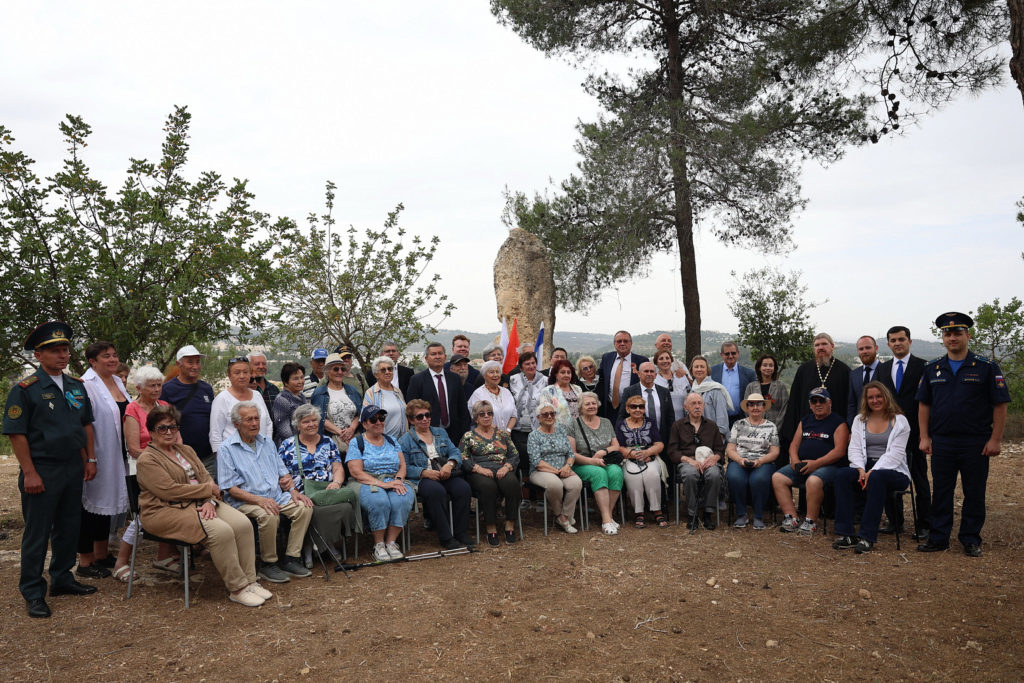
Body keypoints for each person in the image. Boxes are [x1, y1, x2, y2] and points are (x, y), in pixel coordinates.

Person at [4, 322, 98, 618]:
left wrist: (90, 459)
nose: (63, 355)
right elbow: (16, 434)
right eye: (55, 350)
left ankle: (62, 578)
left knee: (69, 527)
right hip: (42, 468)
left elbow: (85, 425)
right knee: (37, 532)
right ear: (39, 355)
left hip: (73, 466)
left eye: (66, 349)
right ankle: (33, 591)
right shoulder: (25, 390)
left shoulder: (75, 386)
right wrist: (29, 472)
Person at [138, 405, 271, 607]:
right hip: (164, 510)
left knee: (243, 523)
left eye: (173, 427)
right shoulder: (147, 460)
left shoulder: (186, 450)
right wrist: (206, 491)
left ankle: (250, 581)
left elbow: (206, 477)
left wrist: (209, 500)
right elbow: (169, 491)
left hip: (202, 503)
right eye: (162, 428)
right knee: (221, 531)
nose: (168, 432)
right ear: (151, 431)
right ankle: (237, 588)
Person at [916, 312, 1010, 557]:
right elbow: (924, 404)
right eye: (947, 333)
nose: (952, 337)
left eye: (957, 332)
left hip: (975, 442)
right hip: (943, 441)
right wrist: (924, 437)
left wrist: (995, 439)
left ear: (968, 335)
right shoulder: (932, 368)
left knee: (974, 491)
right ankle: (939, 537)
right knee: (942, 492)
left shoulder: (986, 368)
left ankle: (970, 538)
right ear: (943, 338)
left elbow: (1000, 405)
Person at [218, 402, 314, 583]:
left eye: (256, 418)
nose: (255, 423)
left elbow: (282, 472)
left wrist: (294, 490)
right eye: (249, 420)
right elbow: (230, 488)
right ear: (237, 424)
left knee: (304, 507)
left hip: (276, 496)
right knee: (269, 514)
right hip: (246, 502)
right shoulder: (226, 449)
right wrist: (259, 501)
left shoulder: (267, 442)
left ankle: (291, 558)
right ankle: (268, 563)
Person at [112, 366, 178, 581]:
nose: (157, 389)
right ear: (139, 387)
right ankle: (121, 562)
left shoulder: (165, 406)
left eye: (159, 384)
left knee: (169, 507)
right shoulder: (132, 410)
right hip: (142, 467)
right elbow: (133, 448)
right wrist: (161, 457)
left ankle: (163, 556)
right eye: (152, 385)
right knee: (143, 516)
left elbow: (178, 438)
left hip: (168, 465)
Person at [832, 382, 911, 553]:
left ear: (886, 397)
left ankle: (867, 536)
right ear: (865, 400)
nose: (875, 400)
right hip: (866, 467)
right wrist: (861, 469)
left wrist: (872, 471)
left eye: (878, 396)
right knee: (842, 475)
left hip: (894, 471)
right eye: (870, 397)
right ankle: (846, 533)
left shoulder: (899, 421)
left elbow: (896, 454)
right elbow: (853, 448)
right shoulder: (860, 420)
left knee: (876, 478)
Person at [77, 340, 130, 578]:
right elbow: (81, 424)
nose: (112, 359)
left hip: (119, 452)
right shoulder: (85, 385)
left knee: (105, 505)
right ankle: (85, 561)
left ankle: (101, 554)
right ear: (92, 361)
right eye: (106, 356)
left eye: (114, 355)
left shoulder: (117, 381)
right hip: (98, 452)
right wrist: (90, 457)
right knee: (90, 505)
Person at [278, 404, 356, 556]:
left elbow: (338, 468)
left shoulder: (328, 442)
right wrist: (292, 490)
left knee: (344, 507)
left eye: (314, 420)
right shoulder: (287, 445)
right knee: (310, 508)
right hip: (300, 492)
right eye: (306, 421)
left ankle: (324, 543)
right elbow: (282, 474)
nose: (311, 424)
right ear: (297, 425)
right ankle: (309, 545)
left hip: (326, 490)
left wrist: (336, 483)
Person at [876, 325, 930, 540]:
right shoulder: (882, 368)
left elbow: (928, 401)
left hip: (916, 432)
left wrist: (927, 433)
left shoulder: (924, 366)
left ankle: (925, 524)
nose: (897, 343)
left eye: (901, 339)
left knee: (919, 479)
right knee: (889, 474)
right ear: (888, 343)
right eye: (893, 340)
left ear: (909, 341)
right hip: (888, 434)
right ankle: (895, 521)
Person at [772, 387, 850, 534]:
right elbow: (794, 445)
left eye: (822, 400)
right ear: (810, 404)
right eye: (814, 401)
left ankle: (810, 521)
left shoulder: (839, 423)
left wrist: (816, 463)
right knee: (778, 478)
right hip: (803, 464)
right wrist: (794, 460)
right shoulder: (805, 420)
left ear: (830, 403)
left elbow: (839, 451)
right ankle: (791, 518)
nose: (818, 404)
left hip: (829, 466)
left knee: (813, 481)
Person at [399, 399, 474, 550]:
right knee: (436, 492)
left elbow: (455, 452)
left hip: (445, 473)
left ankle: (460, 532)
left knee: (463, 488)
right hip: (423, 478)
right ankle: (446, 536)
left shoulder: (440, 432)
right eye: (420, 417)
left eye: (427, 415)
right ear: (411, 420)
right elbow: (404, 467)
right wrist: (424, 472)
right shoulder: (405, 440)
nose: (425, 419)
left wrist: (450, 464)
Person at [346, 405, 416, 562]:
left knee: (402, 497)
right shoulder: (356, 443)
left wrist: (398, 480)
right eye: (373, 419)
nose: (379, 422)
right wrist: (383, 485)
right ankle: (378, 545)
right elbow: (356, 472)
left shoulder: (392, 440)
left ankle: (391, 542)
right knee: (379, 501)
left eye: (382, 418)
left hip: (392, 478)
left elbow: (402, 465)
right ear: (364, 424)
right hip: (366, 480)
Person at [460, 401, 522, 545]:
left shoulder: (502, 434)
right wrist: (479, 469)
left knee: (512, 484)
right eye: (482, 414)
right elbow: (463, 458)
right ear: (476, 418)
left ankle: (510, 524)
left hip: (501, 467)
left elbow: (514, 454)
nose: (486, 416)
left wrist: (506, 467)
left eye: (489, 413)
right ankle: (491, 527)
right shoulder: (469, 436)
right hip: (479, 471)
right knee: (488, 488)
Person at [666, 392, 726, 530]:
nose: (697, 406)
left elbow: (720, 449)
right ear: (685, 407)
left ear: (704, 406)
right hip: (688, 461)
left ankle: (708, 513)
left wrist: (715, 458)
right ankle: (692, 514)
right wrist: (689, 460)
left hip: (708, 461)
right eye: (693, 403)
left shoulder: (712, 426)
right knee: (690, 474)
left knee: (714, 474)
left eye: (700, 403)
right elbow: (672, 451)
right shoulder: (678, 425)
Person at [566, 392, 624, 535]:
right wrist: (592, 461)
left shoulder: (606, 422)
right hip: (583, 464)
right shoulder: (573, 424)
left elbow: (616, 446)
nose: (591, 406)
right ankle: (606, 521)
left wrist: (603, 451)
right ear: (580, 407)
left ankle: (608, 516)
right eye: (587, 404)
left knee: (616, 472)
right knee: (599, 473)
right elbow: (572, 453)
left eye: (593, 403)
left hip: (604, 460)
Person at [781, 333, 851, 448]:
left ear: (832, 346)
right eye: (817, 345)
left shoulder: (844, 370)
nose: (820, 347)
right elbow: (794, 400)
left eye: (824, 344)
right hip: (808, 426)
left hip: (835, 427)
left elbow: (849, 403)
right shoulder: (803, 370)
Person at [725, 393, 779, 530]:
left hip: (763, 461)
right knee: (734, 477)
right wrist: (740, 459)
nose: (755, 407)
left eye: (759, 404)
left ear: (764, 407)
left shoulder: (771, 426)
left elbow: (775, 452)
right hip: (740, 460)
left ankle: (758, 515)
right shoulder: (738, 424)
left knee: (758, 480)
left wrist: (761, 461)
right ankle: (741, 514)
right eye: (751, 404)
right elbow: (730, 449)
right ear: (747, 407)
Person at [528, 399, 584, 534]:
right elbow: (537, 461)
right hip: (541, 471)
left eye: (552, 414)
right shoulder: (533, 435)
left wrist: (568, 466)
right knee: (555, 485)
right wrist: (558, 471)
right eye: (545, 414)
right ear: (538, 418)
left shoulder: (560, 431)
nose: (549, 417)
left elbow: (570, 453)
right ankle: (561, 516)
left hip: (563, 469)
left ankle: (564, 515)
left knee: (576, 483)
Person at [160, 345, 215, 477]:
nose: (195, 366)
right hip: (181, 457)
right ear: (179, 364)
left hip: (208, 458)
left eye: (197, 362)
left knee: (210, 494)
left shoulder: (206, 388)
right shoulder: (167, 390)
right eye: (190, 362)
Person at [406, 342, 471, 446]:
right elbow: (411, 409)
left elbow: (462, 408)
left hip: (454, 434)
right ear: (426, 358)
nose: (437, 356)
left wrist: (465, 433)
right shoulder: (417, 380)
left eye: (440, 353)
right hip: (427, 433)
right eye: (433, 354)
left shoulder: (454, 378)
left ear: (445, 357)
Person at [616, 395, 666, 528]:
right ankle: (639, 512)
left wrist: (648, 452)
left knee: (652, 475)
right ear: (627, 409)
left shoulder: (650, 422)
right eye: (633, 406)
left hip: (650, 456)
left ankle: (657, 510)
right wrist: (631, 454)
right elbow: (618, 446)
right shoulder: (620, 424)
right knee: (634, 476)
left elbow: (659, 444)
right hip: (628, 457)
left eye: (641, 406)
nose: (637, 409)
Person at [209, 356, 272, 457]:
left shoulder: (257, 395)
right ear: (229, 375)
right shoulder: (222, 399)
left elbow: (268, 423)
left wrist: (268, 446)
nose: (242, 376)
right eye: (237, 373)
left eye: (245, 372)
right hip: (234, 456)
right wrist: (222, 458)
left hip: (261, 454)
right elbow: (215, 434)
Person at [509, 351, 547, 506]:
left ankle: (539, 497)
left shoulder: (545, 380)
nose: (531, 366)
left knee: (538, 461)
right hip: (518, 427)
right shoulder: (513, 380)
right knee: (523, 462)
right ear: (521, 367)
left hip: (538, 427)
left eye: (533, 363)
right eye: (527, 364)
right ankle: (524, 497)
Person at [309, 353, 363, 453]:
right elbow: (319, 418)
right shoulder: (319, 393)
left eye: (342, 369)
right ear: (327, 371)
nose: (340, 372)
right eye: (336, 369)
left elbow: (359, 414)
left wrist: (351, 430)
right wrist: (341, 433)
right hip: (332, 443)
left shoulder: (352, 390)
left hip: (355, 440)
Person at [617, 361, 676, 439]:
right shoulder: (629, 392)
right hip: (638, 440)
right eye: (646, 371)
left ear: (655, 375)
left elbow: (670, 416)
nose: (649, 374)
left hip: (663, 438)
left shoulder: (664, 392)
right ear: (639, 374)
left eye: (652, 371)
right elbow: (622, 416)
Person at [597, 330, 649, 419]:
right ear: (614, 344)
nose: (622, 343)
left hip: (631, 409)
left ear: (631, 343)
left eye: (625, 341)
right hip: (609, 408)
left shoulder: (642, 361)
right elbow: (601, 379)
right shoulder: (607, 358)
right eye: (619, 341)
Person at [711, 341, 757, 427]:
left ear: (738, 353)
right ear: (722, 355)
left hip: (741, 419)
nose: (730, 356)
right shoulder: (712, 372)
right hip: (718, 420)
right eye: (727, 354)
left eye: (733, 353)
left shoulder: (749, 373)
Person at [363, 355, 408, 439]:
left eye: (390, 369)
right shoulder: (370, 393)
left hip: (401, 442)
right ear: (376, 374)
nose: (387, 372)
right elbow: (366, 420)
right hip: (382, 442)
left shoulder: (398, 391)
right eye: (383, 370)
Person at [467, 360, 517, 432]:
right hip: (487, 437)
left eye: (497, 372)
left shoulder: (506, 392)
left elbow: (513, 415)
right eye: (491, 372)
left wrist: (508, 431)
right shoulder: (478, 394)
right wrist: (499, 433)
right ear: (484, 375)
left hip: (507, 437)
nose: (495, 375)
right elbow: (476, 417)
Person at [688, 357, 730, 438]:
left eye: (702, 366)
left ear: (707, 370)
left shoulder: (716, 389)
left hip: (714, 436)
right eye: (696, 367)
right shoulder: (692, 390)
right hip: (695, 437)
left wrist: (719, 437)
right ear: (691, 371)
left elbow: (722, 417)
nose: (699, 369)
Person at [743, 354, 789, 428]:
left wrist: (775, 427)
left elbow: (784, 408)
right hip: (754, 428)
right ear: (759, 368)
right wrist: (753, 424)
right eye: (764, 365)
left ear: (774, 368)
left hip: (776, 427)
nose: (768, 368)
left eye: (771, 365)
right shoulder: (751, 387)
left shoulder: (781, 386)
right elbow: (746, 408)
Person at [539, 358, 584, 429]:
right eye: (562, 372)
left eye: (568, 372)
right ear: (556, 374)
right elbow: (545, 415)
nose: (566, 375)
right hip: (557, 432)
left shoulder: (578, 389)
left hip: (579, 430)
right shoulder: (547, 391)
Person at [272, 361, 309, 447]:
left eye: (302, 377)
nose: (300, 381)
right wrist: (301, 445)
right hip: (290, 447)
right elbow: (284, 430)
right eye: (295, 379)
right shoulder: (282, 399)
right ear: (286, 382)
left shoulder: (302, 397)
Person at [847, 335, 881, 424]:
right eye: (861, 349)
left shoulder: (886, 370)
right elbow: (852, 404)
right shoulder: (854, 374)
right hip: (859, 426)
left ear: (876, 348)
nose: (864, 351)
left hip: (881, 424)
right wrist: (851, 426)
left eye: (868, 348)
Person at [653, 349, 690, 419]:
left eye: (667, 358)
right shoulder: (654, 380)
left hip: (682, 419)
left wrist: (686, 375)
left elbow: (691, 392)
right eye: (661, 359)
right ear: (656, 363)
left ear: (671, 361)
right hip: (663, 420)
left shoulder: (681, 377)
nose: (665, 361)